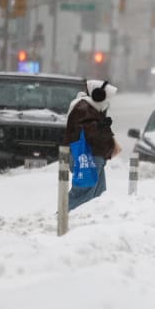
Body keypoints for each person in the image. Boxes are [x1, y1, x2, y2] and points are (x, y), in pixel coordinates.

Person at [63, 80, 121, 211]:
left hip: (95, 157)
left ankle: (87, 223)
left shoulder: (92, 108)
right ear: (98, 95)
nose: (107, 102)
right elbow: (85, 130)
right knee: (82, 194)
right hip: (87, 157)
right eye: (105, 98)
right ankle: (60, 218)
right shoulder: (82, 107)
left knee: (97, 196)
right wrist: (102, 126)